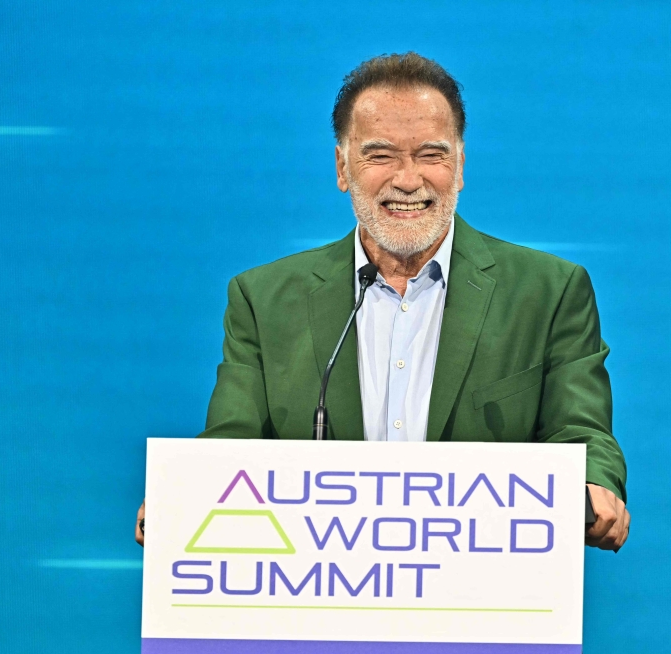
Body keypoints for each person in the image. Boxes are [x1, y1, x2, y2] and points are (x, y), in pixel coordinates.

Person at [135, 52, 630, 552]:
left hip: (479, 600)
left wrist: (596, 483)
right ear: (343, 167)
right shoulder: (262, 301)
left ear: (459, 166)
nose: (408, 180)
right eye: (381, 155)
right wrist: (185, 494)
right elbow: (231, 444)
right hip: (319, 597)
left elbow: (581, 432)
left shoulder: (548, 292)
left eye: (431, 155)